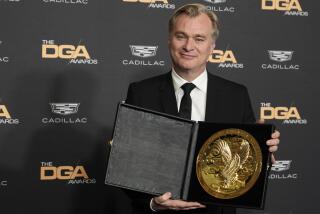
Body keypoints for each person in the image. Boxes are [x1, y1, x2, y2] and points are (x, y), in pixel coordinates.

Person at [125, 3, 280, 214]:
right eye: (181, 36)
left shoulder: (236, 95)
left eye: (199, 38)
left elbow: (245, 169)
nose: (189, 46)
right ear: (169, 40)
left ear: (212, 46)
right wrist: (153, 203)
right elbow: (128, 167)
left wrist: (263, 155)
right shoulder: (141, 92)